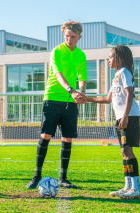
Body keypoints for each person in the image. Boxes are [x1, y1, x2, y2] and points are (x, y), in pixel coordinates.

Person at [27, 21, 87, 189]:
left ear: (79, 37)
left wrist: (81, 92)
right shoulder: (57, 51)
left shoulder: (81, 55)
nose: (69, 39)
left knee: (67, 138)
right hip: (52, 98)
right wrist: (71, 90)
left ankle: (63, 178)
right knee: (46, 135)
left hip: (70, 102)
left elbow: (82, 77)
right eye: (66, 35)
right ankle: (37, 176)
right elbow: (58, 74)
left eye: (72, 36)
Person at [83, 45, 140, 199]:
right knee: (124, 151)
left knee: (127, 151)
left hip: (127, 117)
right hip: (121, 117)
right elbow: (108, 98)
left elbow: (129, 94)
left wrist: (125, 116)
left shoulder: (124, 72)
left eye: (110, 57)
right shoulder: (117, 75)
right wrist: (86, 99)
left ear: (119, 58)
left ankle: (136, 188)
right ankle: (127, 186)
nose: (108, 59)